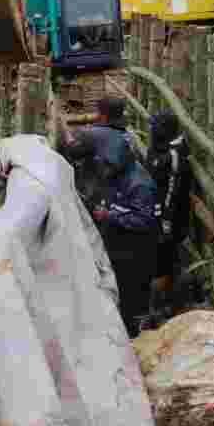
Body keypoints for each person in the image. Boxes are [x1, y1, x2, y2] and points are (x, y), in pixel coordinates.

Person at [58, 97, 159, 337]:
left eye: (107, 162)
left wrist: (110, 216)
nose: (103, 167)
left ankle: (132, 331)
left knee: (130, 289)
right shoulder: (124, 146)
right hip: (125, 241)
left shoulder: (139, 184)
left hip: (136, 247)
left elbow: (145, 220)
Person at [147, 111, 198, 317]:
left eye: (154, 126)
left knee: (164, 260)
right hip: (159, 214)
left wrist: (165, 223)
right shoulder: (160, 148)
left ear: (163, 130)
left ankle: (163, 307)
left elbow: (172, 191)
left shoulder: (174, 156)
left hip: (170, 219)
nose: (150, 130)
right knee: (163, 259)